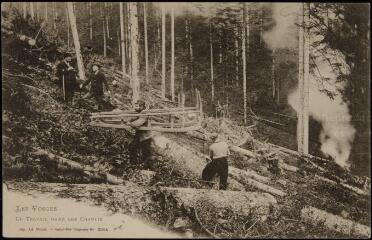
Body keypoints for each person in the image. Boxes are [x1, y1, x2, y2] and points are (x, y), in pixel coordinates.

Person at [126, 100, 154, 169]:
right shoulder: (139, 112)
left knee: (146, 153)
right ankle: (133, 163)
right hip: (139, 135)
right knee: (132, 147)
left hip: (145, 136)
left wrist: (131, 124)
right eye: (135, 106)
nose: (135, 107)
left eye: (137, 106)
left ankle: (148, 168)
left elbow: (139, 122)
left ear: (141, 107)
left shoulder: (144, 113)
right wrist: (127, 120)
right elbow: (133, 117)